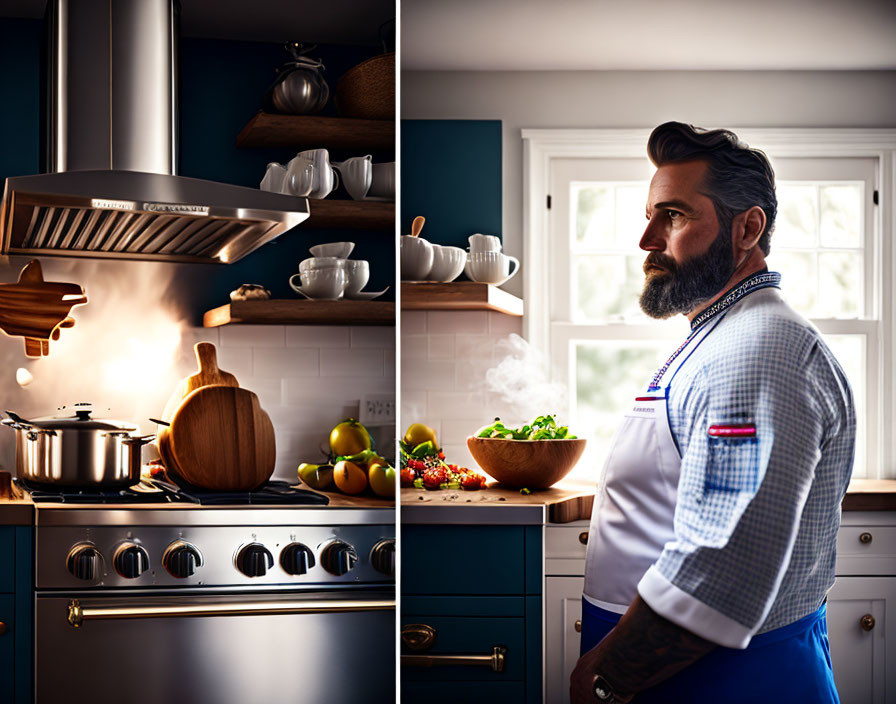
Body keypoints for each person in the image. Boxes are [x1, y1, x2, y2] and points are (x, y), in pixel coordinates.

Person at [570, 121, 855, 704]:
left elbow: (725, 558)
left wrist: (609, 676)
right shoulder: (721, 336)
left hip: (728, 680)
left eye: (672, 215)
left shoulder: (762, 348)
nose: (647, 239)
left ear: (747, 228)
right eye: (649, 214)